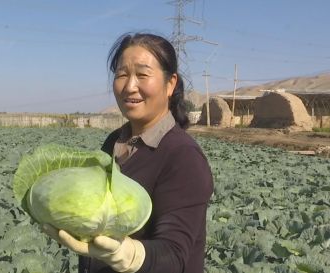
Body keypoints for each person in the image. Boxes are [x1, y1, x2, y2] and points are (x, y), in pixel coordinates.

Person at [43, 32, 214, 273]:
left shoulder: (183, 157)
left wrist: (129, 255)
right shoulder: (113, 142)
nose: (130, 86)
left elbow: (175, 257)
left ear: (170, 83)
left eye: (143, 74)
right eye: (122, 74)